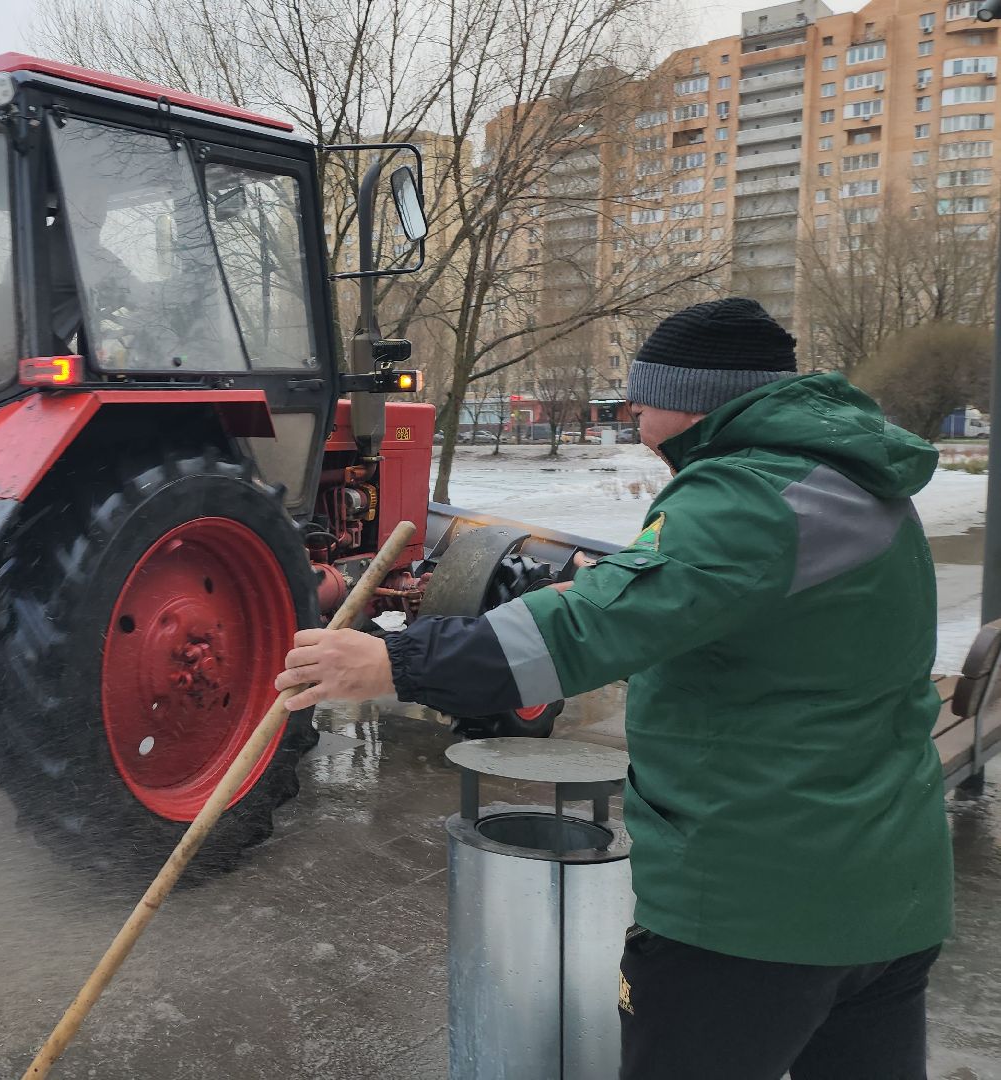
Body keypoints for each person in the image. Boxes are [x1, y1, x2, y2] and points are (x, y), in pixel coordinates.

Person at [276, 297, 953, 1080]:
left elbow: (580, 633)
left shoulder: (742, 498)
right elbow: (766, 628)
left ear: (699, 399)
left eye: (646, 392)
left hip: (755, 909)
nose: (632, 408)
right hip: (889, 893)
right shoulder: (856, 481)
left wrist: (395, 662)